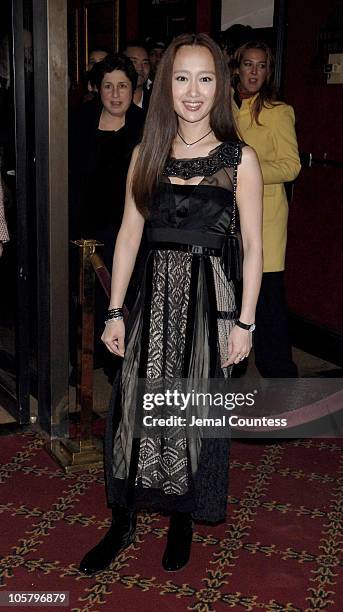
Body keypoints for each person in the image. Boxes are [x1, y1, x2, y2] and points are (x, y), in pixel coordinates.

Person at [79, 32, 263, 575]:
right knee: (132, 411)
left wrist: (246, 322)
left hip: (211, 301)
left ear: (219, 85)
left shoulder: (239, 159)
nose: (193, 90)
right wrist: (115, 310)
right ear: (164, 86)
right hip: (152, 297)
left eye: (205, 78)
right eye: (181, 78)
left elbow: (254, 246)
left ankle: (181, 517)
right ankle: (122, 517)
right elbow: (130, 233)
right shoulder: (148, 152)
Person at [70, 54, 144, 373]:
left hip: (129, 229)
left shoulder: (146, 125)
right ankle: (85, 360)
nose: (115, 94)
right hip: (84, 227)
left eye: (122, 86)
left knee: (125, 297)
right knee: (83, 299)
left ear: (133, 89)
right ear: (97, 89)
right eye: (108, 86)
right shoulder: (80, 120)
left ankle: (121, 366)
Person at [233, 40, 301, 377]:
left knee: (268, 304)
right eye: (248, 64)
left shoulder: (278, 112)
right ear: (237, 68)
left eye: (261, 66)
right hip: (229, 222)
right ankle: (234, 367)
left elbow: (291, 166)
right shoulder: (223, 109)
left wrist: (249, 173)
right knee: (231, 298)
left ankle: (282, 382)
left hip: (266, 222)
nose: (254, 72)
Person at [123, 41, 151, 115]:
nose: (140, 68)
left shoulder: (156, 101)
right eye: (134, 62)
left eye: (145, 63)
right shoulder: (111, 101)